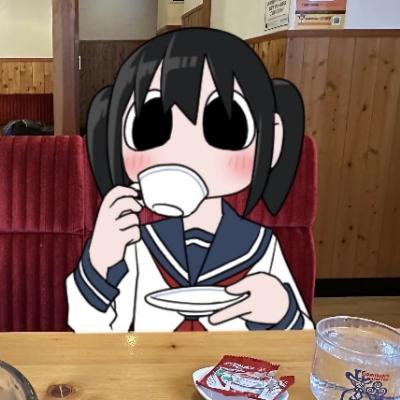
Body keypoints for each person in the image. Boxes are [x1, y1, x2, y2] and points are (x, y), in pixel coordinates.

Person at [66, 28, 315, 332]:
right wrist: (99, 261)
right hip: (149, 360)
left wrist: (282, 312)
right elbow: (90, 331)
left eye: (225, 125)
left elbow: (301, 342)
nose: (185, 152)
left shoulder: (262, 246)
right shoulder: (134, 243)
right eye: (150, 127)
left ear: (272, 143)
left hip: (236, 363)